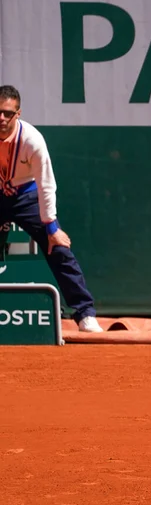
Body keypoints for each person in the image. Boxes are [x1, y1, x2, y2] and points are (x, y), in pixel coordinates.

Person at [0, 85, 102, 332]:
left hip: (27, 195)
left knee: (58, 247)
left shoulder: (32, 140)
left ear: (18, 113)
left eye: (7, 113)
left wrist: (52, 226)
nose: (1, 118)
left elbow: (46, 184)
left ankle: (85, 314)